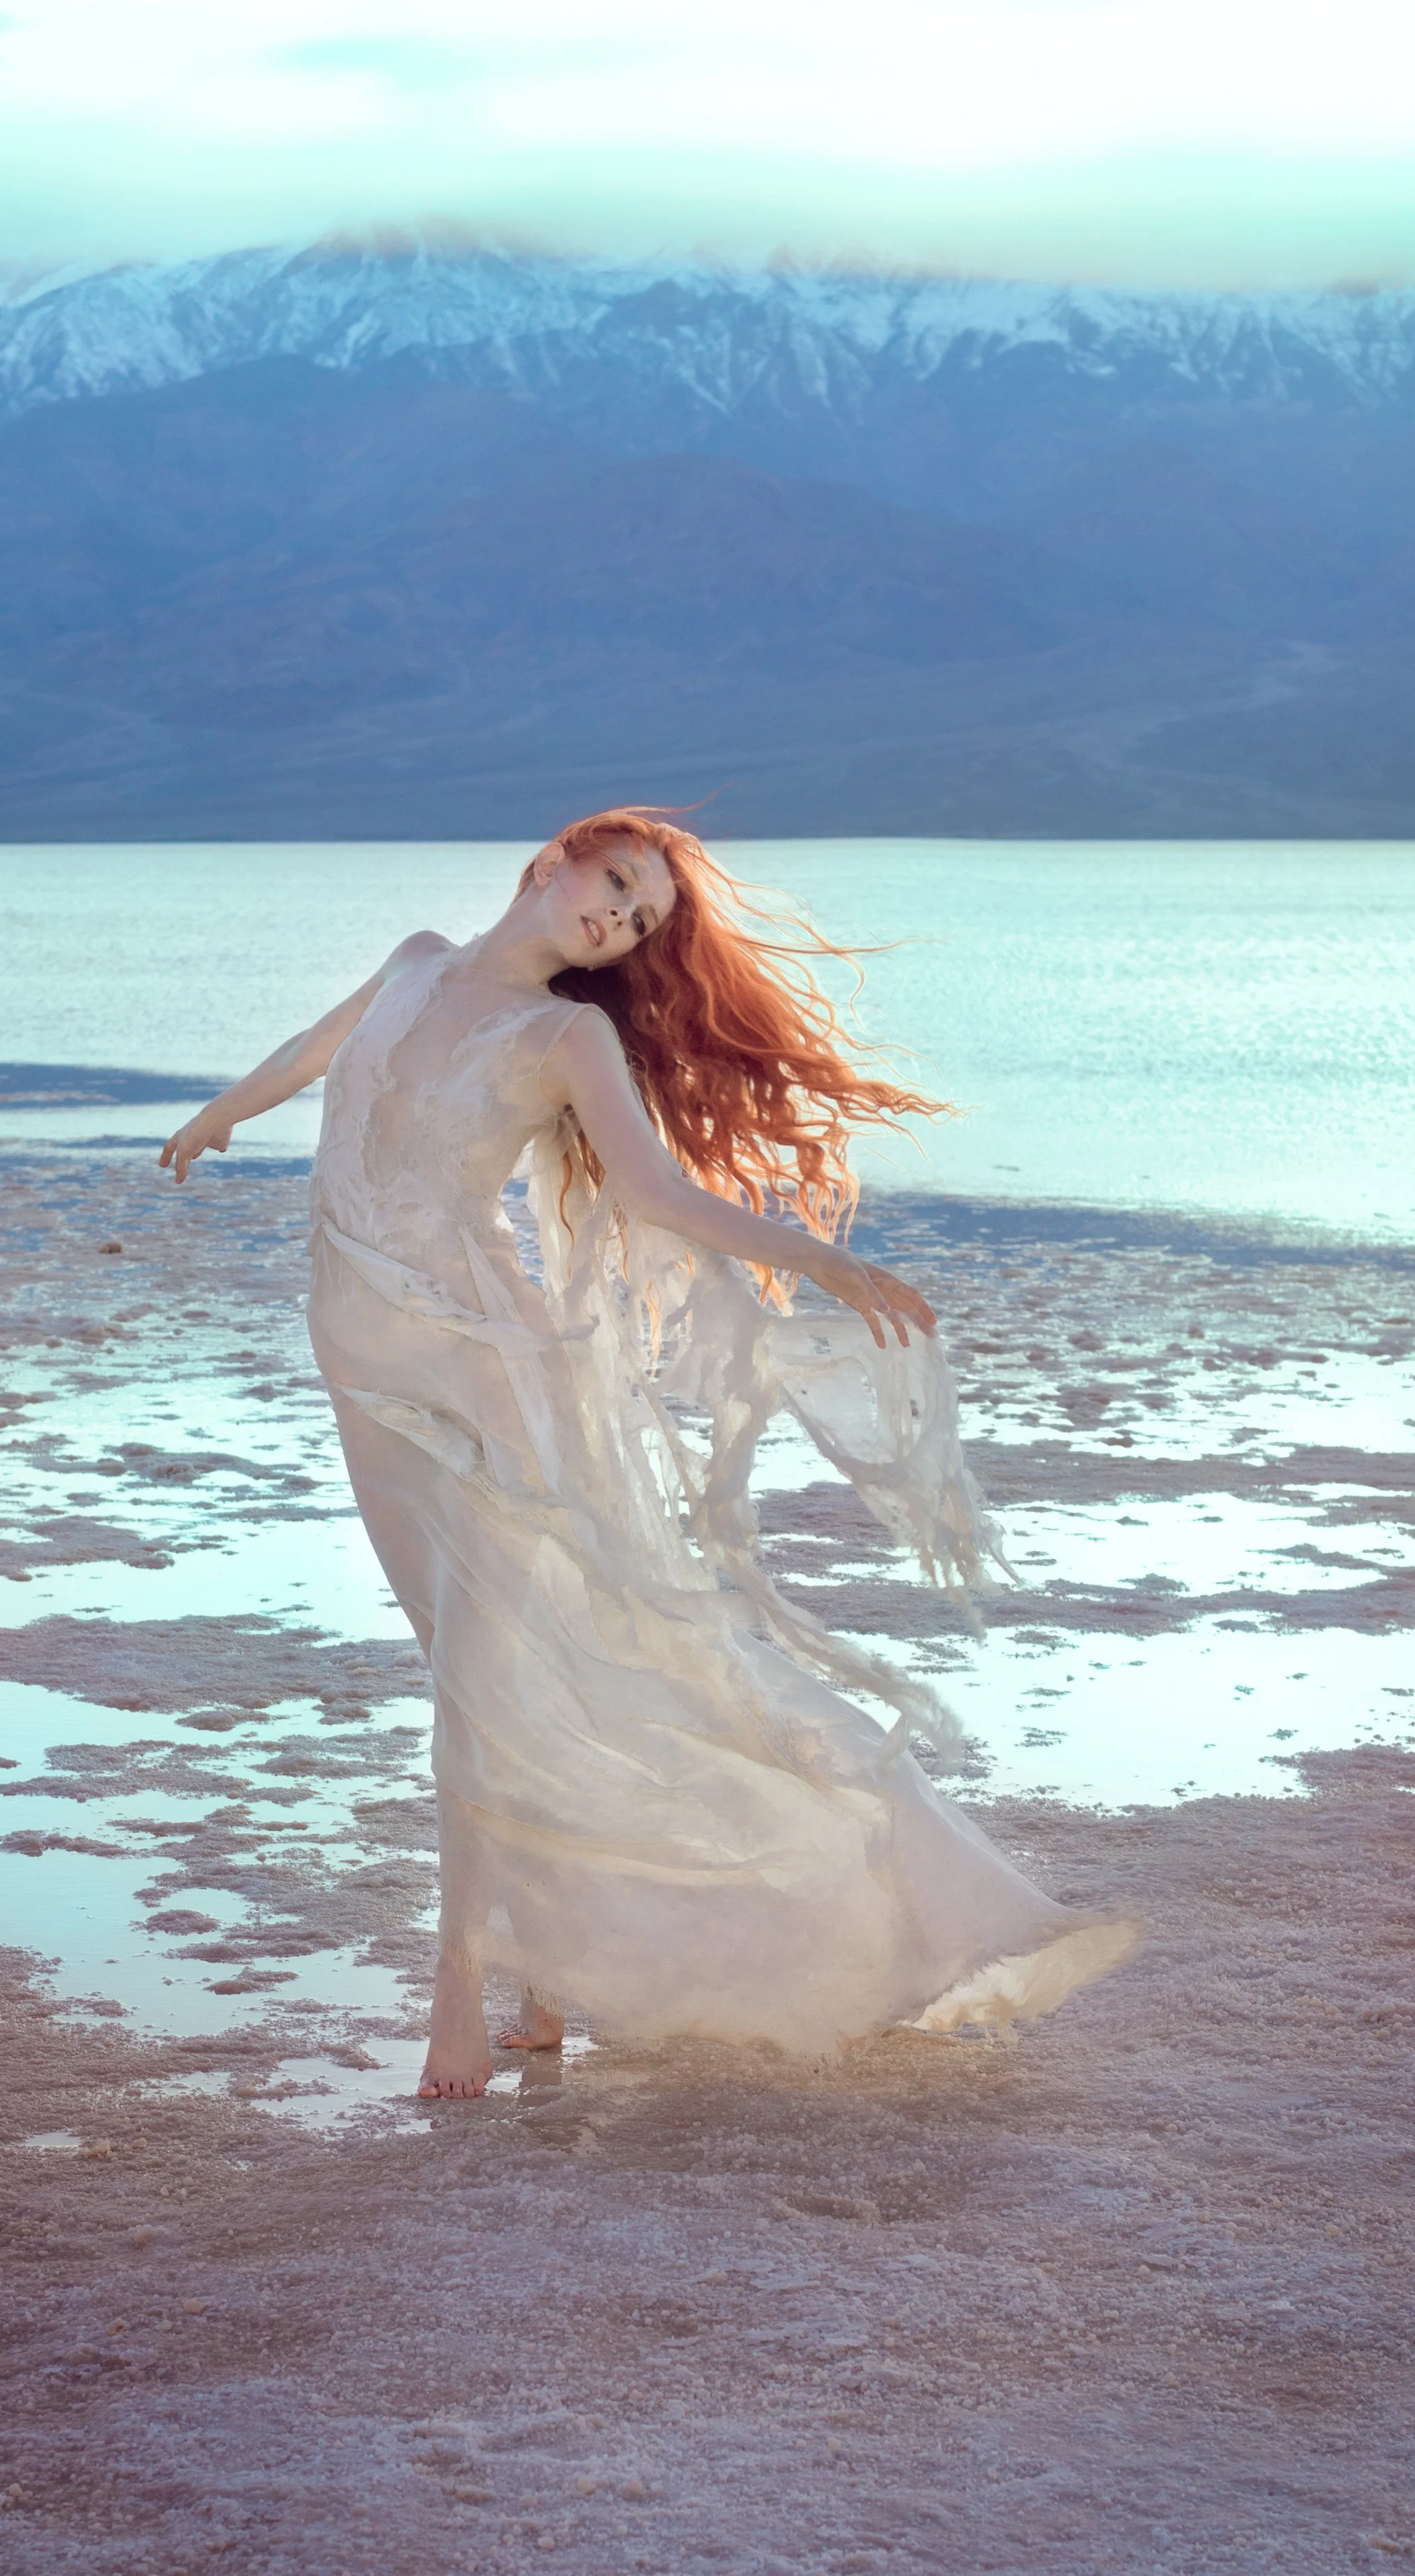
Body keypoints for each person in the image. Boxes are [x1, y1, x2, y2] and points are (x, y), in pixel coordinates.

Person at [161, 812, 1134, 2098]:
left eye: (640, 919)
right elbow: (315, 1049)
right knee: (481, 1674)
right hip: (365, 1370)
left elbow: (662, 1195)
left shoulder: (571, 1038)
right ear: (549, 862)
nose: (618, 921)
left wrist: (821, 1258)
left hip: (481, 1380)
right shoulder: (409, 961)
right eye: (615, 885)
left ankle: (464, 1989)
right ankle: (550, 1984)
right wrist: (218, 1116)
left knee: (473, 1684)